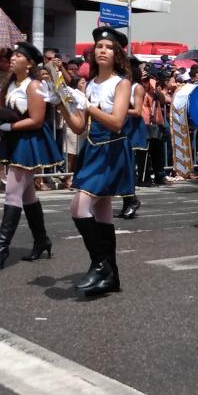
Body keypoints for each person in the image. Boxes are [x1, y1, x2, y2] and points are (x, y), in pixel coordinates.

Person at [57, 27, 134, 298]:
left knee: (79, 207)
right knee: (102, 214)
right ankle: (110, 275)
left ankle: (99, 264)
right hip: (92, 149)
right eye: (99, 46)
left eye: (109, 47)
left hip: (111, 150)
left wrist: (88, 107)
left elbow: (116, 123)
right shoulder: (89, 85)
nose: (102, 50)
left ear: (117, 54)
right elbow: (79, 127)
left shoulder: (121, 83)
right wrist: (63, 105)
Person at [0, 41, 63, 271]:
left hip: (28, 141)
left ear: (30, 63)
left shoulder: (34, 86)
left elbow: (36, 119)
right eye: (12, 56)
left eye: (18, 56)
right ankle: (42, 239)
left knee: (12, 192)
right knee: (27, 195)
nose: (13, 59)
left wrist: (10, 128)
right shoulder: (9, 84)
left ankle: (1, 250)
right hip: (14, 139)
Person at [118, 56, 148, 220]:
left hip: (132, 128)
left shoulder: (137, 88)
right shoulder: (121, 85)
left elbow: (137, 111)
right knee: (122, 166)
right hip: (121, 126)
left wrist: (117, 110)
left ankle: (131, 200)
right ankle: (128, 201)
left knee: (128, 166)